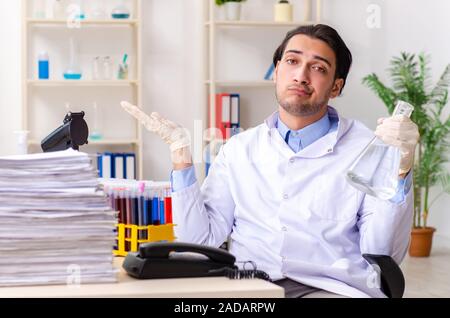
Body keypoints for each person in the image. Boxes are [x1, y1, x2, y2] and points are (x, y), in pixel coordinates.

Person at [120, 24, 419, 298]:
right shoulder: (239, 149)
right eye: (292, 61)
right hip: (250, 287)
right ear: (276, 71)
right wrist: (181, 157)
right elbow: (201, 239)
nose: (301, 75)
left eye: (318, 67)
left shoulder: (367, 148)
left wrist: (402, 167)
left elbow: (380, 250)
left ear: (336, 86)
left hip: (330, 288)